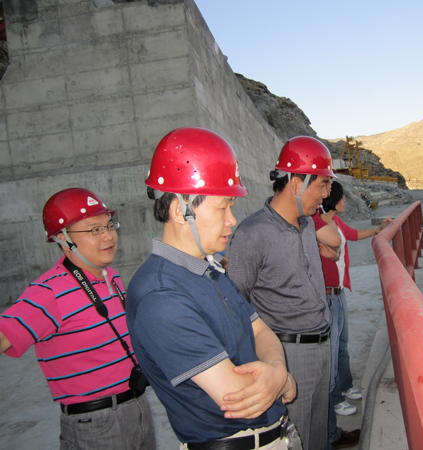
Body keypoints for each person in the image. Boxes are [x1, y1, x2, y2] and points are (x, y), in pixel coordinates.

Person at [125, 127, 297, 450]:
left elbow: (261, 332)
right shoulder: (160, 295)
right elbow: (237, 394)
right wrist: (284, 379)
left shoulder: (209, 269)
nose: (232, 220)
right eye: (223, 207)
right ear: (181, 211)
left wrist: (275, 371)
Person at [228, 136, 359, 450]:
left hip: (321, 346)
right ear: (297, 184)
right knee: (294, 440)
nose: (327, 194)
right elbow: (234, 309)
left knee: (318, 437)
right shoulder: (252, 235)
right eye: (323, 185)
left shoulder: (304, 225)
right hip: (288, 355)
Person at [0, 188, 156, 450]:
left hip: (137, 407)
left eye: (109, 225)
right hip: (95, 426)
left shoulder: (112, 277)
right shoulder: (48, 292)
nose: (108, 236)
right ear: (63, 238)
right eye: (94, 230)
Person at [314, 181, 392, 420]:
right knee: (333, 349)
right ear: (332, 200)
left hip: (338, 293)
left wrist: (379, 231)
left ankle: (346, 386)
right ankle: (336, 399)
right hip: (326, 295)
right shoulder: (314, 224)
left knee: (343, 344)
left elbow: (353, 235)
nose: (345, 201)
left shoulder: (336, 222)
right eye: (342, 198)